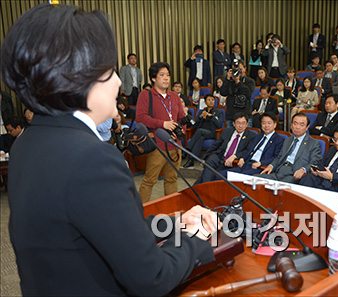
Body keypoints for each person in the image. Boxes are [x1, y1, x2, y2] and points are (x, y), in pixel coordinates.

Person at [1, 4, 220, 295]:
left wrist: (176, 222)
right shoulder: (93, 159)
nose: (118, 81)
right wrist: (199, 240)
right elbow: (151, 277)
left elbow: (105, 229)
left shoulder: (28, 141)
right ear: (79, 78)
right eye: (109, 71)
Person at [136, 62, 186, 203]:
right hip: (157, 145)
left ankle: (171, 210)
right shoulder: (146, 95)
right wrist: (162, 124)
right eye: (162, 75)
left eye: (168, 75)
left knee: (172, 179)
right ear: (153, 78)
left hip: (175, 146)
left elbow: (181, 118)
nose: (166, 78)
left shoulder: (174, 96)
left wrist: (181, 129)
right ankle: (140, 212)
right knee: (149, 180)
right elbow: (140, 117)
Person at [258, 112, 322, 184]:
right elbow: (279, 157)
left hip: (294, 175)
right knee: (255, 179)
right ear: (291, 125)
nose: (297, 127)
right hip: (279, 171)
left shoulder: (313, 143)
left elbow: (315, 162)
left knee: (279, 188)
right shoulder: (288, 140)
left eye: (301, 124)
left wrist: (303, 170)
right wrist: (271, 165)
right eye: (295, 123)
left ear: (307, 127)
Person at [195, 113, 255, 184]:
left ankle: (203, 187)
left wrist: (237, 156)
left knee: (206, 176)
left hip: (233, 162)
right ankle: (205, 187)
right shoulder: (227, 131)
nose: (240, 126)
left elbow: (249, 150)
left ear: (247, 124)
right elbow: (216, 145)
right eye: (238, 123)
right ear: (233, 124)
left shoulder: (251, 136)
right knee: (211, 160)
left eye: (243, 123)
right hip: (220, 157)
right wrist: (206, 157)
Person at [183, 94, 223, 168]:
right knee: (200, 138)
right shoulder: (201, 111)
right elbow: (195, 124)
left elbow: (219, 125)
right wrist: (201, 117)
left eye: (212, 100)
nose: (211, 101)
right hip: (201, 133)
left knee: (200, 131)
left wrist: (211, 116)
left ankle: (187, 149)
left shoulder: (218, 111)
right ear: (205, 102)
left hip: (212, 133)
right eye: (209, 100)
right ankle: (191, 160)